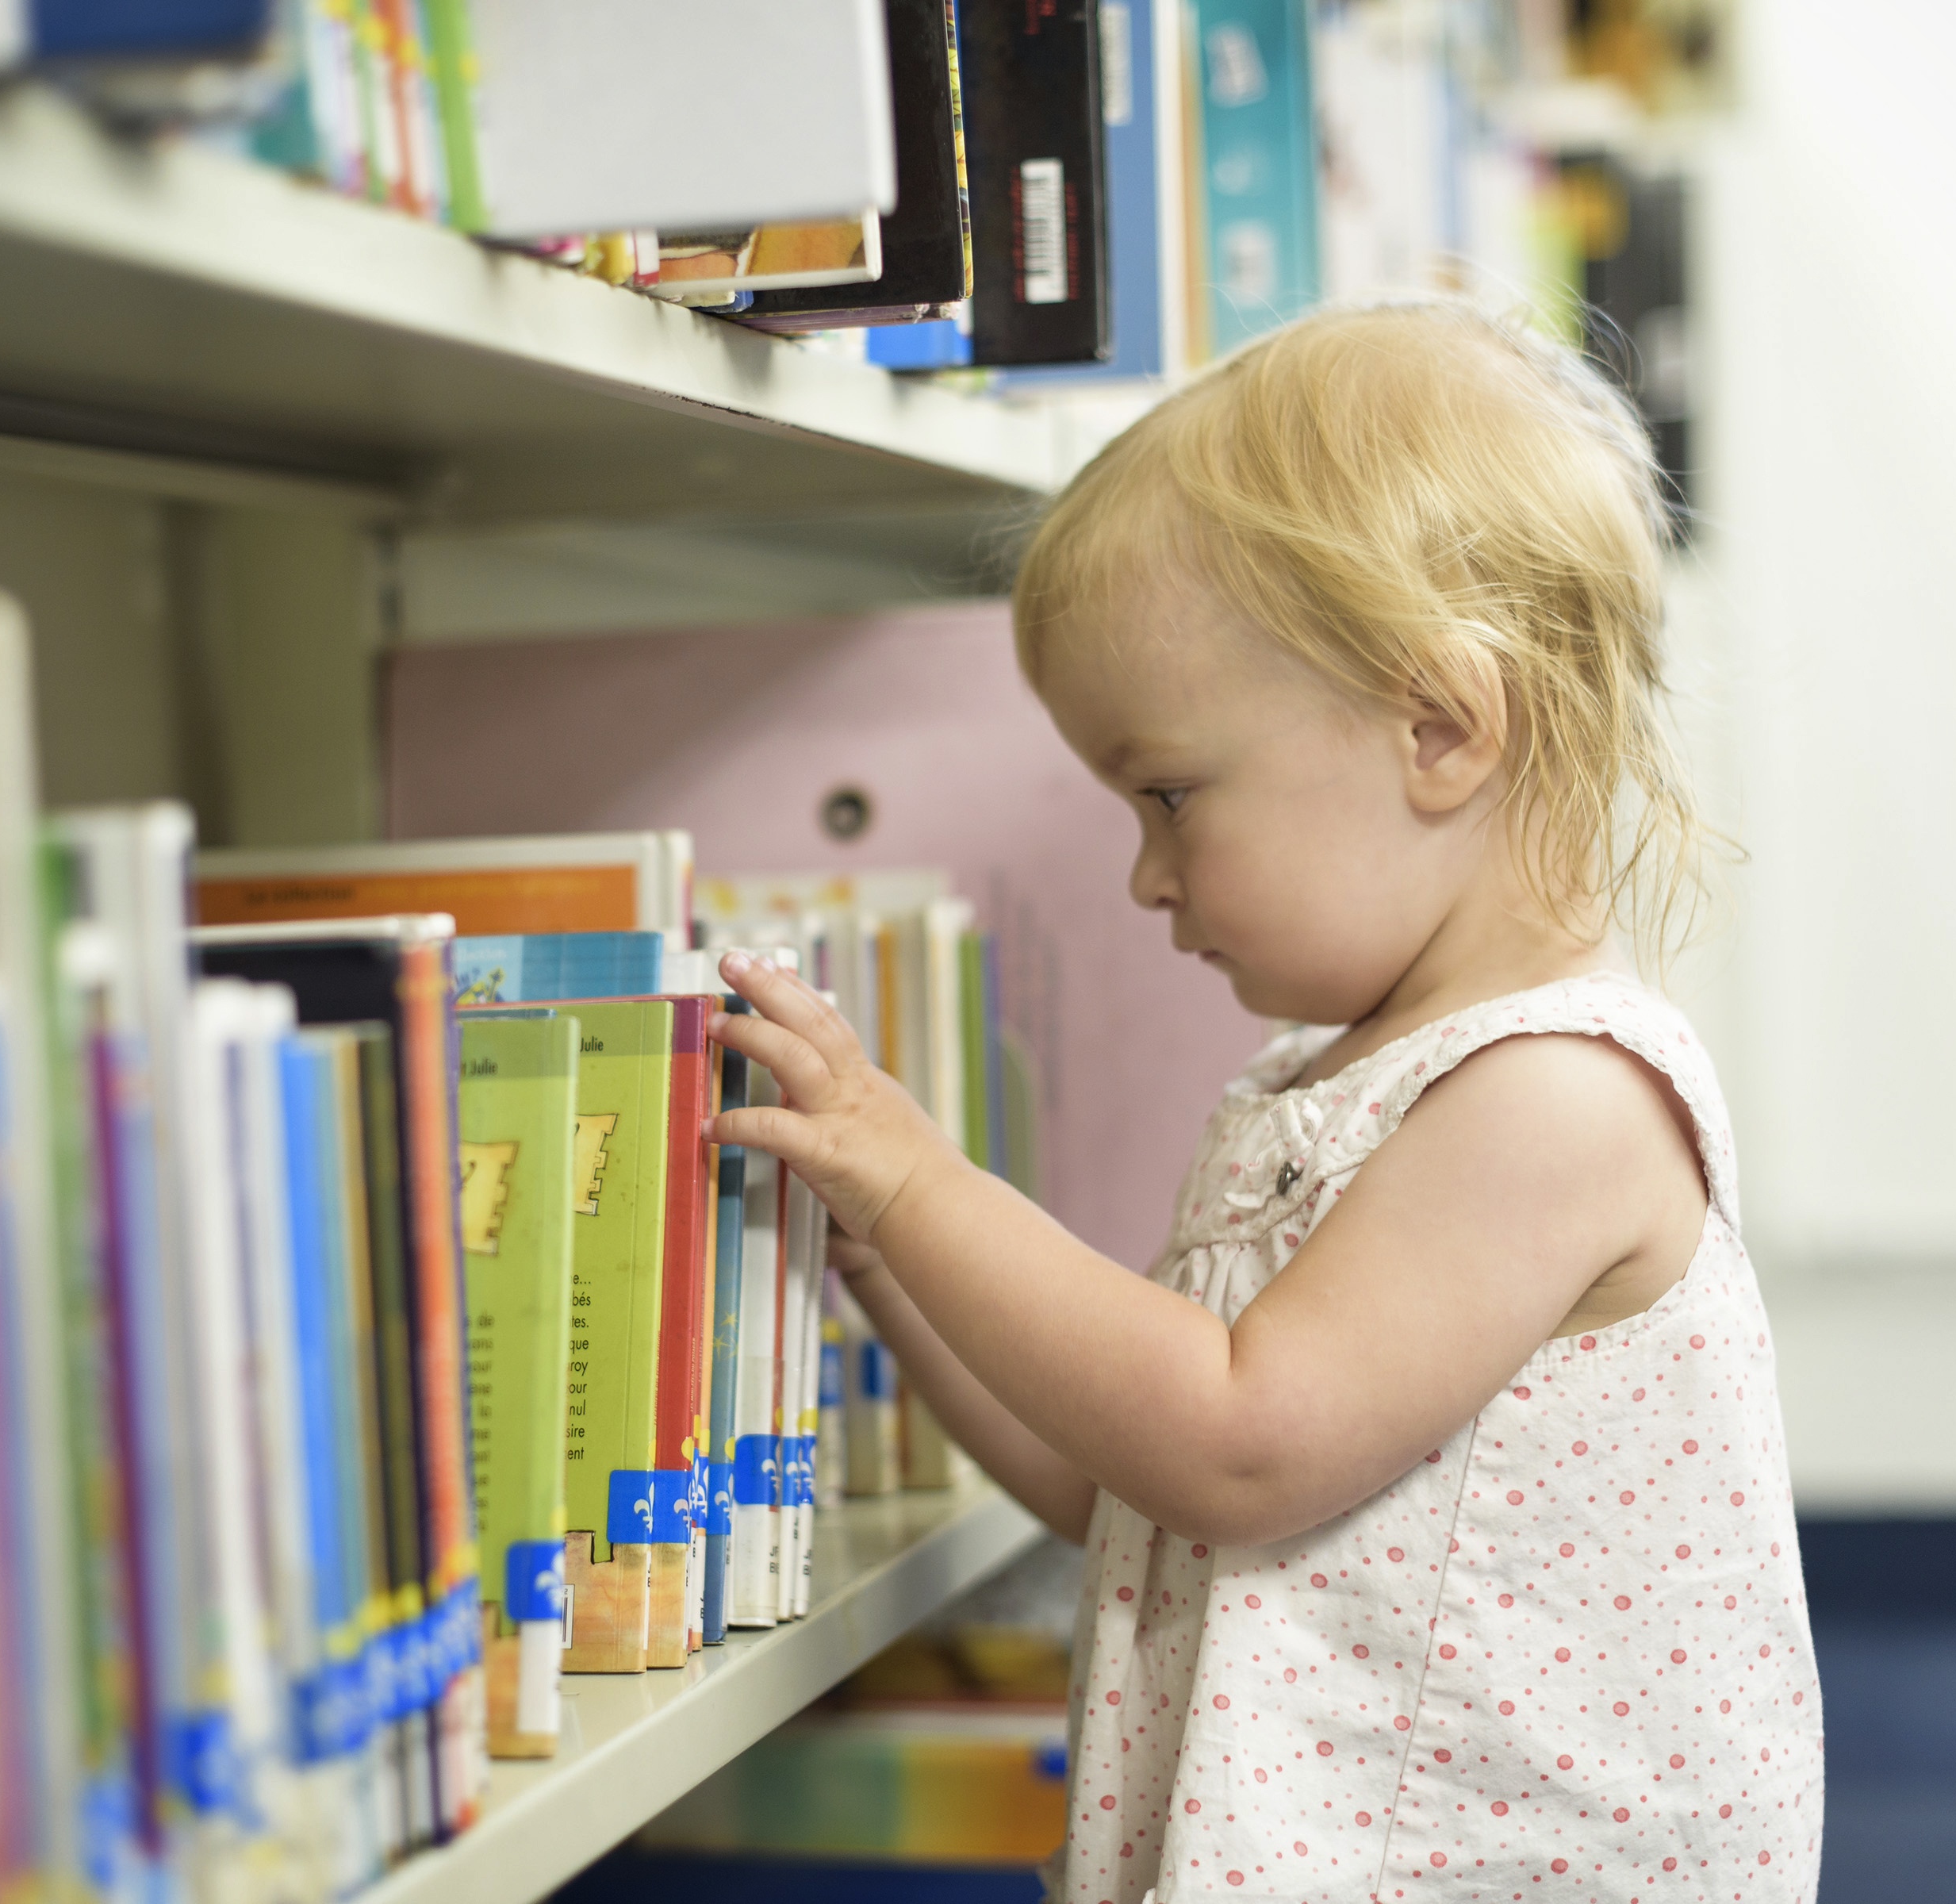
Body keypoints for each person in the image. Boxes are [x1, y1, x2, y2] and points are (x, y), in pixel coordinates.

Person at [708, 299, 1820, 1902]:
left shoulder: (1556, 1102)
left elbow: (1235, 1442)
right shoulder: (1319, 1091)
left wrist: (918, 1181)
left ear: (1441, 727)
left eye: (1167, 792)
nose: (1146, 877)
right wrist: (900, 1273)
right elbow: (1139, 1493)